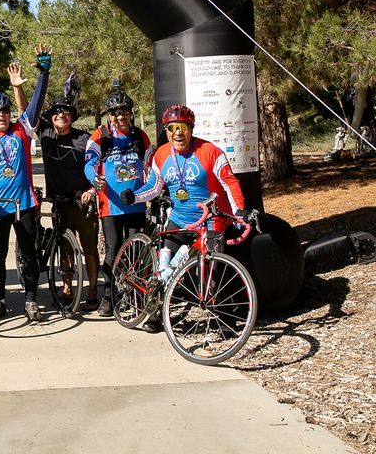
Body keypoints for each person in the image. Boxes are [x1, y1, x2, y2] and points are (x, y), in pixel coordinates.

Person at [120, 103, 247, 332]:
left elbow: (230, 181)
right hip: (178, 219)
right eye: (172, 128)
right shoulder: (161, 155)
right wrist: (135, 196)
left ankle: (226, 319)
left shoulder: (210, 151)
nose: (178, 133)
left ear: (191, 128)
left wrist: (239, 210)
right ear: (166, 131)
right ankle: (157, 313)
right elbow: (154, 187)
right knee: (163, 269)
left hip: (211, 219)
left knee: (213, 269)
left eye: (183, 127)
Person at [0, 46, 51, 322]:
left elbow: (36, 104)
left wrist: (43, 74)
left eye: (5, 110)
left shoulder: (22, 131)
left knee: (29, 255)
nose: (2, 115)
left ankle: (30, 299)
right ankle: (0, 300)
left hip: (24, 204)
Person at [84, 88, 153, 317]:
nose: (120, 117)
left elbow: (151, 167)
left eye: (124, 111)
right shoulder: (100, 136)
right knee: (113, 251)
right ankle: (109, 295)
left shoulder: (140, 137)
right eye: (115, 113)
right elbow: (89, 163)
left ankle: (134, 295)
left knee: (135, 251)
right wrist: (95, 180)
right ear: (109, 116)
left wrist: (145, 193)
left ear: (131, 113)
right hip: (110, 206)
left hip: (136, 203)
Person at [36, 86, 99, 314]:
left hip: (83, 203)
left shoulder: (85, 138)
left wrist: (92, 190)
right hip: (59, 203)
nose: (60, 115)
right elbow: (28, 112)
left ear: (72, 115)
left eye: (65, 111)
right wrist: (19, 87)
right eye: (55, 111)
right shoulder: (45, 134)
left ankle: (92, 291)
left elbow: (98, 166)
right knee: (64, 250)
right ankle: (66, 288)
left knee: (90, 249)